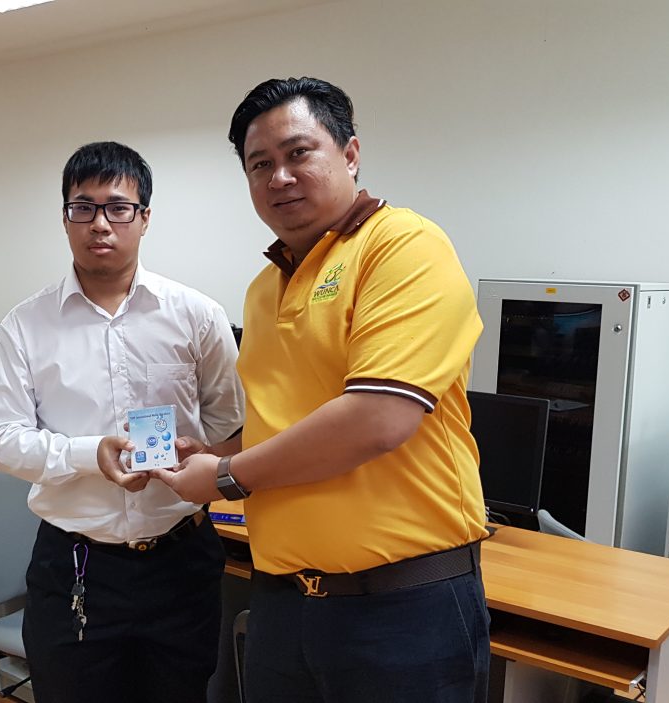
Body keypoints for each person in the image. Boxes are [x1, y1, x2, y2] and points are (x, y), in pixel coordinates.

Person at [153, 77, 490, 703]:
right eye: (260, 165)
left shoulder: (403, 245)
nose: (279, 177)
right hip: (284, 602)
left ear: (350, 154)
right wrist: (215, 450)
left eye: (298, 153)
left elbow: (377, 418)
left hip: (401, 605)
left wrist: (226, 476)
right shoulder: (264, 288)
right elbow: (285, 420)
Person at [0, 141, 245, 703]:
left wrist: (207, 454)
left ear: (144, 218)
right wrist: (87, 453)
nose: (100, 223)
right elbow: (0, 440)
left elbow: (231, 423)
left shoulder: (197, 315)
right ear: (65, 218)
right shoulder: (25, 324)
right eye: (84, 207)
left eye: (118, 207)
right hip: (75, 564)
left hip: (181, 559)